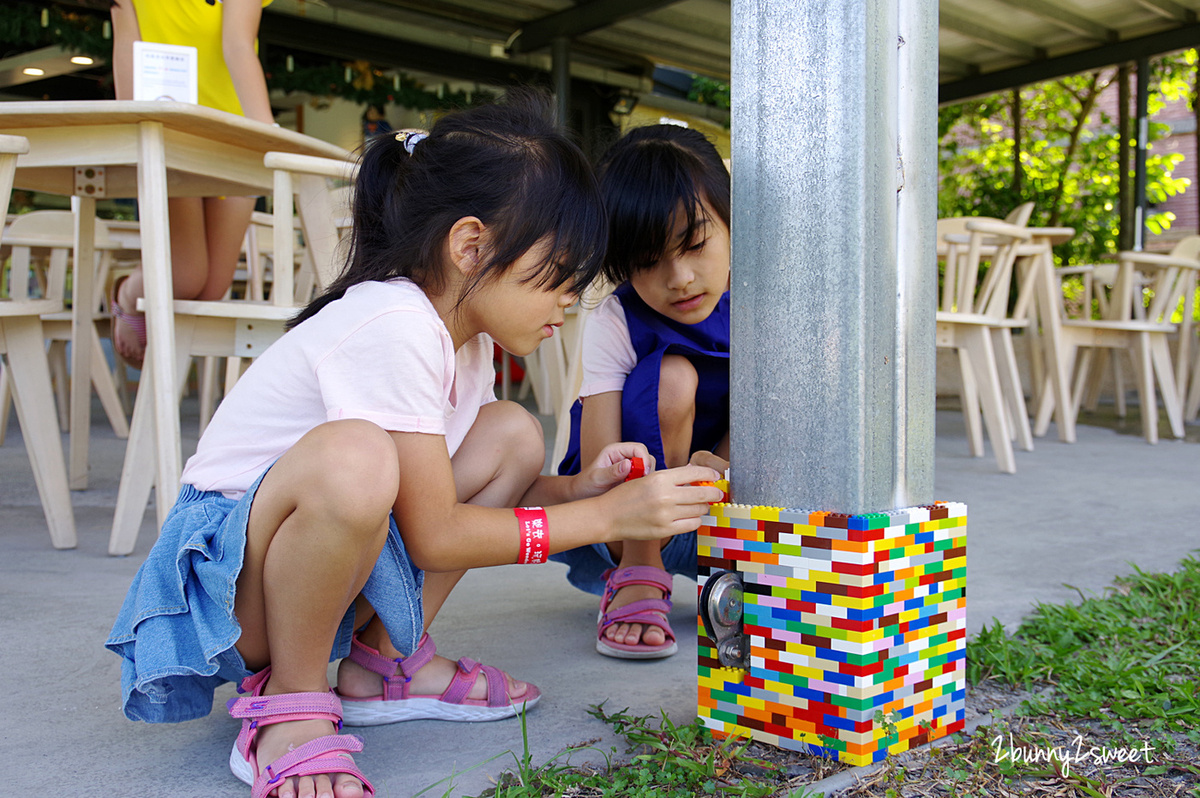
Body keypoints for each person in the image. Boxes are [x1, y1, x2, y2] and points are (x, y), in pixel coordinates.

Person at [106, 93, 724, 798]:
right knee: (356, 460)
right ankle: (290, 704)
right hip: (227, 592)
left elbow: (457, 496)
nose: (569, 302)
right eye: (557, 276)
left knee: (512, 436)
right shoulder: (394, 323)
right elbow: (435, 534)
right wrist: (610, 522)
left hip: (304, 571)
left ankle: (382, 664)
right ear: (471, 247)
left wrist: (584, 491)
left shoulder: (464, 341)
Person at [554, 124, 732, 661]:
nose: (679, 277)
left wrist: (717, 468)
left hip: (721, 500)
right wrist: (645, 505)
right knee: (674, 376)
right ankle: (640, 568)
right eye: (650, 261)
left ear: (732, 222)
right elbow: (600, 463)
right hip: (624, 517)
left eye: (696, 244)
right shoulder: (617, 318)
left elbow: (776, 414)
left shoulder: (763, 300)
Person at [108, 0, 275, 367]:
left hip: (234, 133)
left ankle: (136, 294)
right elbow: (128, 54)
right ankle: (127, 293)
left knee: (212, 289)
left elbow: (237, 43)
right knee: (185, 277)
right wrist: (133, 128)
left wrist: (265, 136)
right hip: (170, 135)